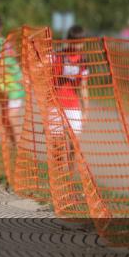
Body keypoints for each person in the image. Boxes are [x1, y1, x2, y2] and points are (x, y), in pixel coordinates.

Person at [50, 24, 89, 177]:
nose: (76, 46)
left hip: (73, 105)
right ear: (68, 40)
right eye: (73, 42)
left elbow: (83, 87)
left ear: (83, 42)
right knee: (57, 143)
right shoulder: (57, 56)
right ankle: (59, 173)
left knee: (74, 143)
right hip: (55, 104)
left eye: (79, 42)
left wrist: (86, 110)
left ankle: (70, 175)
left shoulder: (83, 61)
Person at [0, 13, 24, 148]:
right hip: (8, 85)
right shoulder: (2, 42)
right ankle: (14, 147)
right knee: (5, 119)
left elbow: (0, 66)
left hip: (13, 85)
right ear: (0, 27)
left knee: (10, 118)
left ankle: (18, 147)